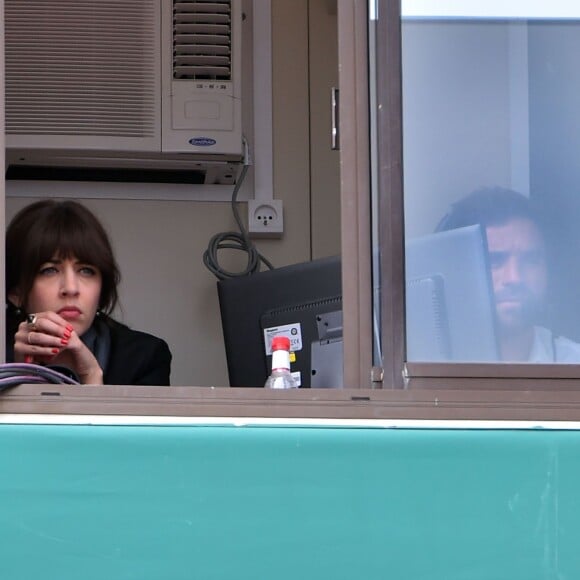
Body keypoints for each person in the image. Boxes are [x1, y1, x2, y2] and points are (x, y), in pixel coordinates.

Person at [5, 199, 172, 384]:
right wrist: (19, 376)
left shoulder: (144, 356)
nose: (71, 288)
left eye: (86, 271)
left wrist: (91, 375)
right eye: (49, 270)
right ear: (15, 292)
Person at [436, 186, 580, 363]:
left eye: (531, 260)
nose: (515, 278)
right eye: (494, 261)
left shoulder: (573, 365)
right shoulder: (424, 364)